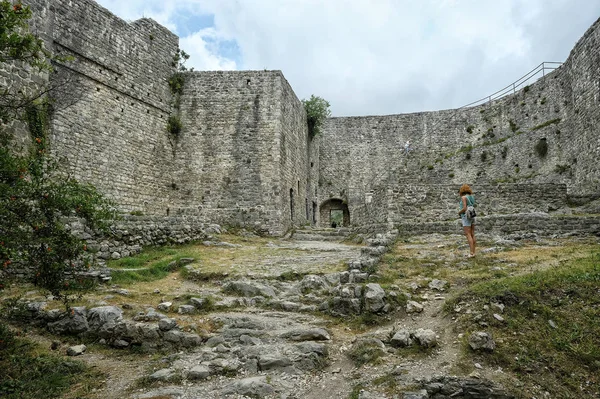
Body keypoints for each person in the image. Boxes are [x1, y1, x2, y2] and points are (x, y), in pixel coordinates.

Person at [457, 184, 476, 257]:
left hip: (466, 216)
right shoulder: (471, 197)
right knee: (472, 233)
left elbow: (464, 208)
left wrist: (459, 212)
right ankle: (473, 252)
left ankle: (471, 253)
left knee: (468, 234)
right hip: (472, 215)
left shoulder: (463, 197)